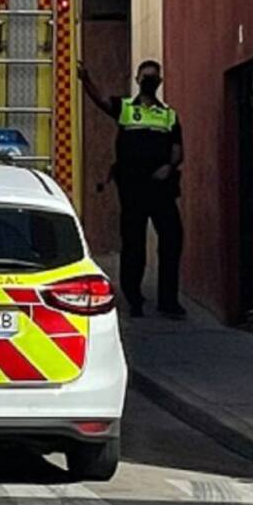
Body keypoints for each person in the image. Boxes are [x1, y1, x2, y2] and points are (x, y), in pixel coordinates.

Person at [79, 59, 186, 319]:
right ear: (138, 80)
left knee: (172, 239)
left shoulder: (169, 115)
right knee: (134, 244)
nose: (150, 80)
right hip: (133, 187)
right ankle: (134, 297)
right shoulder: (126, 107)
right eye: (146, 76)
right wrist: (87, 80)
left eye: (154, 77)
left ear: (159, 83)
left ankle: (168, 301)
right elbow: (102, 100)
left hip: (161, 188)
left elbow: (177, 149)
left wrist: (169, 167)